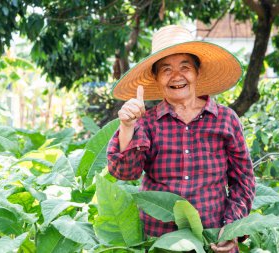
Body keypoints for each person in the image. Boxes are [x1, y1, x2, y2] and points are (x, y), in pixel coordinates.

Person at [107, 25, 255, 252]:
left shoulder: (226, 120)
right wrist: (127, 127)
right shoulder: (147, 122)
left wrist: (231, 228)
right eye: (166, 70)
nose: (176, 76)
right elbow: (126, 173)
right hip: (162, 242)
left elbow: (243, 181)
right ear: (156, 79)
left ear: (197, 73)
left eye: (185, 67)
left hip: (214, 240)